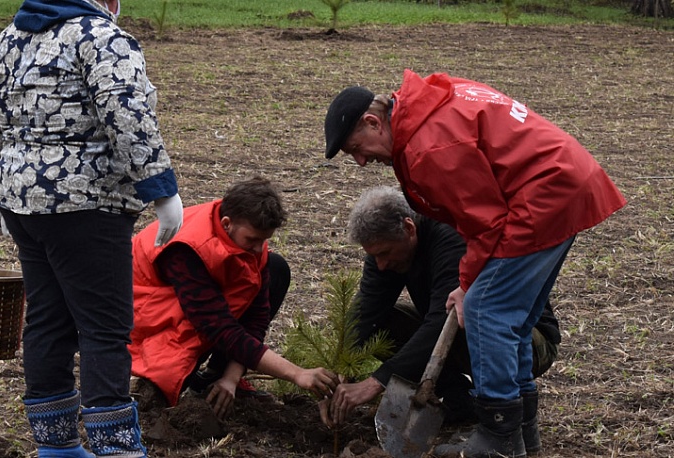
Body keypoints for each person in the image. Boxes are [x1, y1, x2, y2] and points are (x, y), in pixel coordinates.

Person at [323, 71, 626, 457]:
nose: (362, 161)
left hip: (545, 193)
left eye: (356, 148)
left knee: (485, 310)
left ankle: (498, 437)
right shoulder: (427, 109)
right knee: (507, 317)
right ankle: (522, 435)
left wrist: (467, 284)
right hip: (563, 182)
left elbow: (485, 222)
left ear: (372, 121)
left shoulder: (428, 146)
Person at [0, 0, 183, 456]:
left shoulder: (10, 37)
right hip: (86, 202)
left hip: (21, 201)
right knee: (104, 329)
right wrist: (163, 191)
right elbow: (128, 116)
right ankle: (116, 449)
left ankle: (58, 448)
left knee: (49, 321)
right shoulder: (101, 37)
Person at [321, 186, 561, 440]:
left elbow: (441, 323)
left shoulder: (449, 237)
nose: (380, 264)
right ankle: (457, 397)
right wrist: (338, 373)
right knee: (385, 323)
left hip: (524, 343)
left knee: (459, 319)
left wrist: (375, 383)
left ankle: (497, 416)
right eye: (374, 256)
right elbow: (365, 314)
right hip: (463, 334)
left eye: (384, 253)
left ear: (409, 228)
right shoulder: (385, 249)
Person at [128, 176, 339, 419]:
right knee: (168, 383)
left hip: (195, 308)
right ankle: (149, 383)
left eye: (264, 240)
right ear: (227, 224)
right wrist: (296, 373)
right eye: (253, 240)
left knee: (275, 268)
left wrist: (231, 376)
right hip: (144, 317)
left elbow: (257, 319)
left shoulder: (246, 237)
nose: (260, 249)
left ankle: (214, 375)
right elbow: (219, 329)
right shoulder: (186, 249)